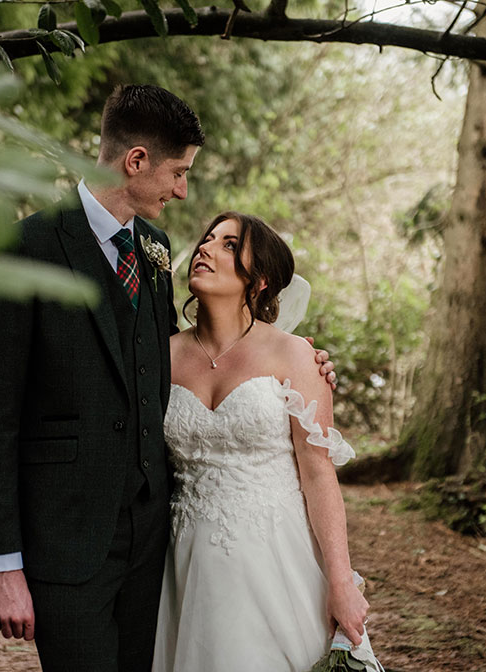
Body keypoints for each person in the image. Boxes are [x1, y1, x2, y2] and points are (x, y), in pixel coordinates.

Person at [0, 85, 336, 672]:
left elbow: (168, 362)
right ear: (136, 161)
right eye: (179, 172)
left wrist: (293, 361)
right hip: (66, 539)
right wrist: (2, 563)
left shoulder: (155, 250)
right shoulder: (24, 248)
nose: (183, 190)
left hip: (157, 548)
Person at [152, 212, 382, 671]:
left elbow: (318, 473)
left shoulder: (295, 355)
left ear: (259, 281)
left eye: (229, 245)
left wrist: (341, 581)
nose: (205, 248)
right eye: (208, 239)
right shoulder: (162, 355)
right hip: (182, 560)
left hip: (276, 558)